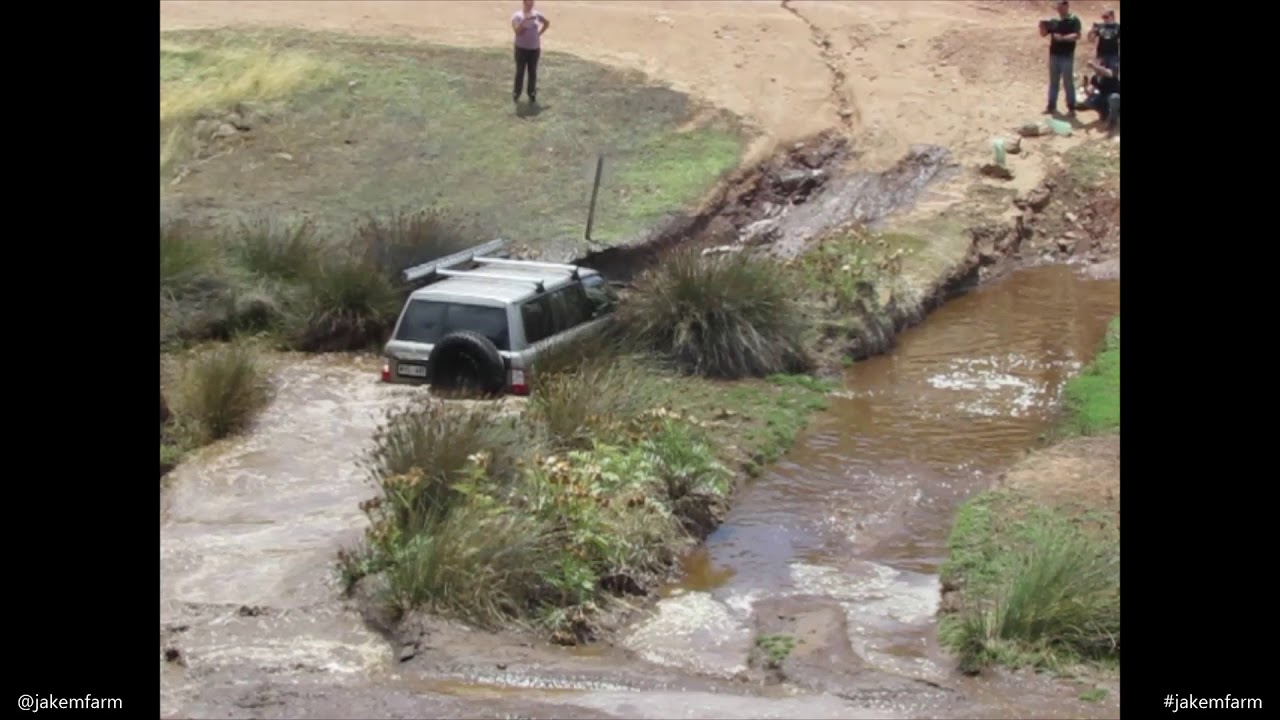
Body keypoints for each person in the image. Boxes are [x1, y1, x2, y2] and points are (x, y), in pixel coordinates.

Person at [1039, 0, 1082, 115]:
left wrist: (1062, 38)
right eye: (1058, 8)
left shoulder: (1073, 20)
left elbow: (1077, 35)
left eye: (1061, 7)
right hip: (1054, 54)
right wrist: (1042, 27)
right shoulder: (1054, 21)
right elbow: (1044, 34)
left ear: (1066, 7)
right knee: (1054, 82)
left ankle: (1071, 107)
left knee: (1068, 82)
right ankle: (1051, 106)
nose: (1059, 10)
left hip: (1066, 55)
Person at [511, 0, 551, 105]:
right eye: (528, 4)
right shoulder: (517, 16)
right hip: (521, 49)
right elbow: (517, 31)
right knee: (520, 71)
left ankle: (531, 93)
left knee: (532, 72)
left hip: (534, 49)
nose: (530, 6)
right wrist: (525, 21)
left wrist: (539, 33)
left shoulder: (537, 15)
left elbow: (547, 23)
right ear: (524, 3)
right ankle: (517, 93)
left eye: (532, 4)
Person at [1081, 58, 1120, 136]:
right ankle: (1104, 113)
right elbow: (1090, 92)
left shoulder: (1109, 74)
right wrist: (1085, 86)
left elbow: (1108, 73)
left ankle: (1113, 121)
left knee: (1113, 98)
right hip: (1104, 98)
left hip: (1115, 97)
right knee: (1089, 101)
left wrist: (1093, 66)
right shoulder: (1095, 78)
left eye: (1099, 67)